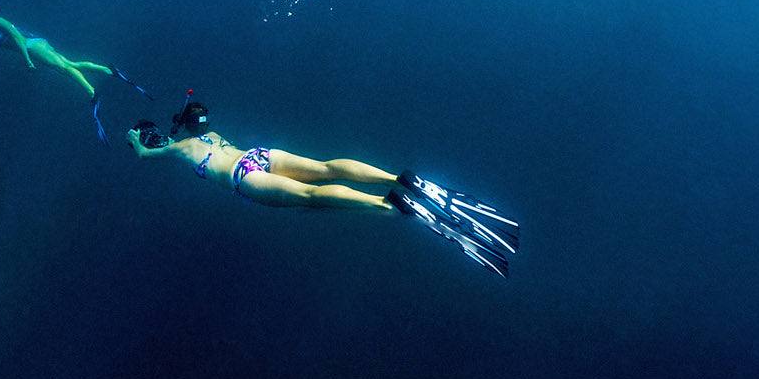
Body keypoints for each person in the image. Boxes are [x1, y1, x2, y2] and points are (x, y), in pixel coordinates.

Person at [125, 101, 518, 277]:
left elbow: (145, 154)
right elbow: (198, 122)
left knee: (311, 198)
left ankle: (388, 205)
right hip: (259, 154)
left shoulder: (180, 147)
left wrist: (136, 138)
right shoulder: (210, 134)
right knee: (326, 167)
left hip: (244, 178)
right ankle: (397, 179)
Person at [0, 7, 150, 142]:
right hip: (34, 47)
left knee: (64, 68)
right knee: (69, 64)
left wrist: (27, 60)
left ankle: (91, 92)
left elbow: (16, 37)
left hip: (32, 46)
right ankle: (109, 71)